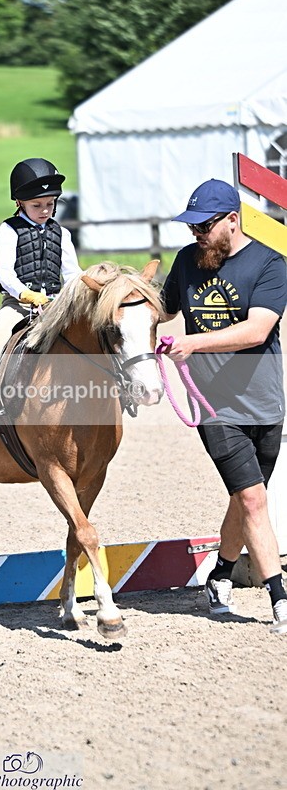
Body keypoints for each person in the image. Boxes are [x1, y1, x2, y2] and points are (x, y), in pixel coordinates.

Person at [161, 178, 287, 635]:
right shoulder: (184, 262)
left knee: (246, 497)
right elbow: (161, 308)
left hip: (265, 403)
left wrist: (193, 342)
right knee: (254, 498)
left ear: (232, 220)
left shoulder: (271, 265)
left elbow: (256, 331)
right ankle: (280, 599)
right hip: (213, 406)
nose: (195, 233)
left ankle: (218, 576)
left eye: (204, 225)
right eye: (191, 225)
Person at [0, 157, 82, 417]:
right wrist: (24, 294)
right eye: (37, 205)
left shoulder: (62, 234)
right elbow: (3, 272)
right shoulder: (9, 229)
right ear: (20, 203)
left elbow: (72, 273)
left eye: (50, 204)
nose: (45, 210)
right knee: (1, 329)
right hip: (18, 303)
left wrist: (78, 293)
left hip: (54, 304)